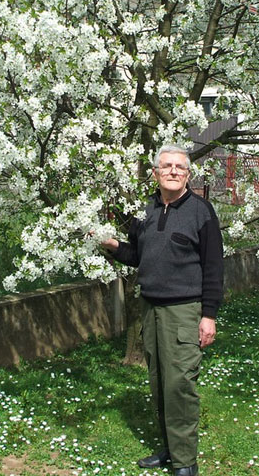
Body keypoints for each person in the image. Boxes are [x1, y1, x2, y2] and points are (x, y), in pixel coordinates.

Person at [100, 144, 224, 476]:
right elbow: (138, 257)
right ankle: (170, 448)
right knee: (158, 383)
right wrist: (113, 247)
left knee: (180, 385)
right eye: (166, 166)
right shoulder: (145, 211)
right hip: (150, 308)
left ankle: (186, 463)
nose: (172, 171)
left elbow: (213, 268)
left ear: (188, 175)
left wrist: (208, 315)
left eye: (179, 168)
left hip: (184, 311)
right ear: (155, 173)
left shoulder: (201, 211)